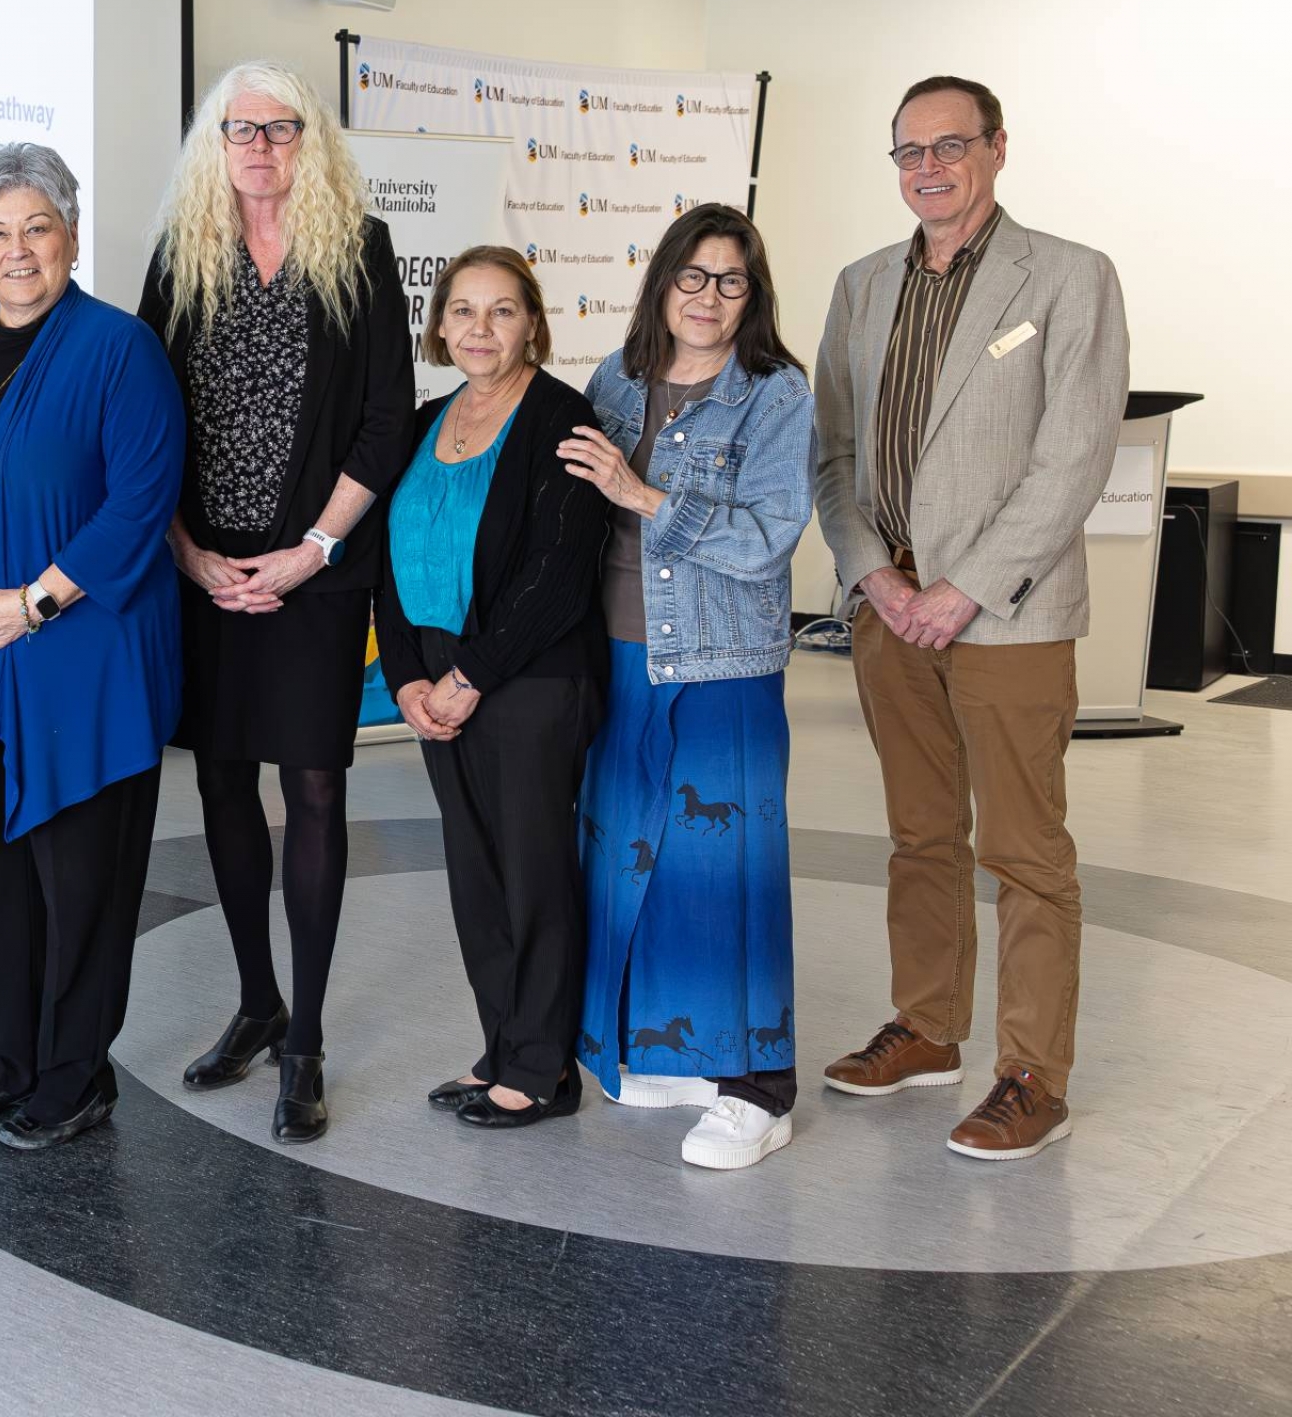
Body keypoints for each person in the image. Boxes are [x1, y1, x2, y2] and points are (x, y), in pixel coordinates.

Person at [813, 76, 1128, 1160]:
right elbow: (835, 457)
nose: (927, 168)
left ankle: (1031, 1076)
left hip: (1008, 618)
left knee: (1026, 850)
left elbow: (1074, 454)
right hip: (888, 612)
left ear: (996, 149)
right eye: (907, 151)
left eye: (949, 146)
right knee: (919, 835)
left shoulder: (1070, 277)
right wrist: (876, 577)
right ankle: (929, 1028)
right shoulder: (859, 288)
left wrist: (966, 587)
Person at [138, 61, 412, 1144]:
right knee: (218, 785)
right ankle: (257, 1001)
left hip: (316, 569)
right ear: (215, 142)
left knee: (313, 790)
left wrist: (308, 551)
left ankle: (306, 1044)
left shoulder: (361, 250)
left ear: (312, 141)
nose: (257, 145)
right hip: (204, 568)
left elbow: (385, 418)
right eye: (238, 128)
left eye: (279, 127)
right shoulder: (182, 254)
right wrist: (189, 554)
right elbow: (143, 415)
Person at [0, 143, 186, 1151]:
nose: (17, 251)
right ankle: (10, 1060)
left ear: (69, 234)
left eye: (36, 229)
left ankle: (74, 1072)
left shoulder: (120, 349)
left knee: (81, 884)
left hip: (82, 660)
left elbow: (139, 505)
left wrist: (31, 605)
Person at [557, 205, 814, 1171]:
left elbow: (766, 540)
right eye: (693, 277)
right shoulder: (616, 380)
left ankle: (759, 1084)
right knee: (631, 861)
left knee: (729, 874)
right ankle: (670, 1054)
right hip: (615, 656)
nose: (709, 298)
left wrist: (643, 495)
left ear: (754, 294)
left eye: (731, 281)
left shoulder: (775, 392)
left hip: (722, 665)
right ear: (662, 282)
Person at [377, 246, 610, 1131]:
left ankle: (542, 1068)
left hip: (529, 679)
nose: (480, 327)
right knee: (477, 873)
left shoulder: (562, 417)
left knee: (533, 872)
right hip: (436, 676)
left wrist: (469, 678)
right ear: (439, 325)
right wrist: (405, 677)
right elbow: (388, 563)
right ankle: (505, 1046)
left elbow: (557, 576)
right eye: (463, 310)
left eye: (502, 310)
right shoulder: (426, 420)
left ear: (534, 323)